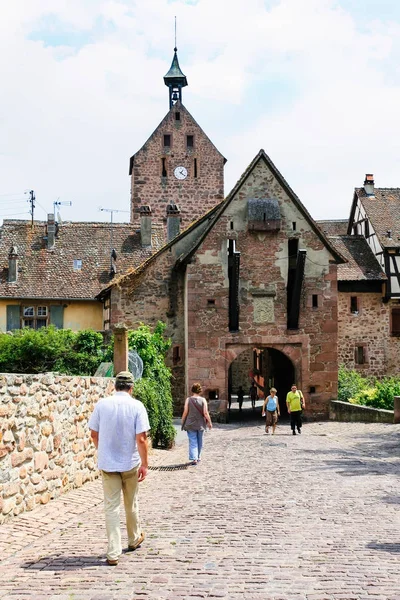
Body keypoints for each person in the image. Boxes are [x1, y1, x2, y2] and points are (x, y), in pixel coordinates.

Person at [88, 371, 150, 566]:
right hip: (129, 463)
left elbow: (93, 434)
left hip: (108, 465)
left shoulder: (102, 404)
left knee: (111, 507)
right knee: (130, 503)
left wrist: (104, 451)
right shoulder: (137, 406)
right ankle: (133, 539)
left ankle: (113, 552)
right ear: (131, 388)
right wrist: (145, 463)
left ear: (114, 386)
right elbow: (141, 438)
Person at [181, 383, 212, 465]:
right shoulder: (203, 400)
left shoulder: (188, 400)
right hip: (200, 424)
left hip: (190, 423)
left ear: (192, 390)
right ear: (200, 390)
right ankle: (198, 456)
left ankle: (194, 458)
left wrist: (183, 420)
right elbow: (205, 413)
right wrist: (209, 422)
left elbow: (185, 412)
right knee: (200, 440)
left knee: (193, 441)